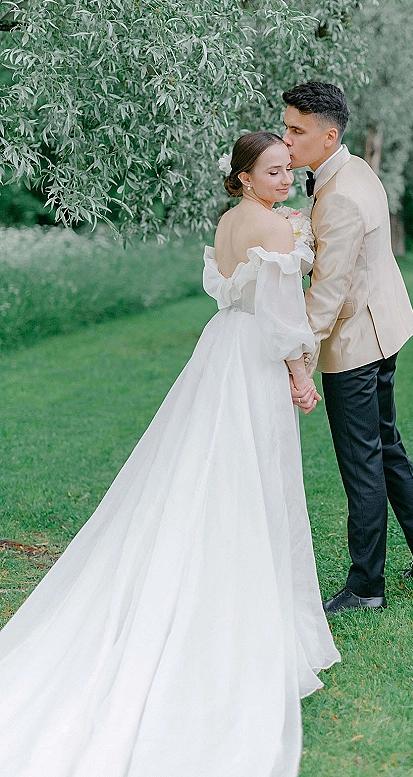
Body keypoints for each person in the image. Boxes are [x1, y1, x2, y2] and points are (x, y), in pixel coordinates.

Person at [0, 132, 340, 777]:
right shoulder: (274, 227)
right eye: (273, 172)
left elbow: (233, 297)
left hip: (220, 350)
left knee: (205, 463)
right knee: (254, 473)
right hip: (256, 360)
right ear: (244, 177)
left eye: (288, 170)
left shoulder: (230, 222)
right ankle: (245, 613)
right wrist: (301, 373)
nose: (285, 180)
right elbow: (282, 315)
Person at [281, 82, 413, 615]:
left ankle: (366, 587)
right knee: (387, 446)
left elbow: (327, 295)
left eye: (296, 131)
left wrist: (297, 360)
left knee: (363, 463)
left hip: (357, 341)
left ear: (327, 134)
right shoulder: (353, 170)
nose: (285, 141)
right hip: (383, 326)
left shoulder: (341, 198)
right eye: (286, 128)